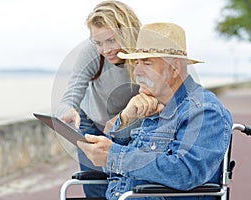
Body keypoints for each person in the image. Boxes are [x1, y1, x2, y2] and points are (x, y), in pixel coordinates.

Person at [77, 22, 233, 200]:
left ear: (174, 68)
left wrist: (114, 155)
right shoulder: (150, 106)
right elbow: (111, 165)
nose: (137, 71)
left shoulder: (204, 109)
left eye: (147, 63)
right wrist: (126, 118)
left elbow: (187, 172)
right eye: (136, 62)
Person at [55, 1, 141, 198]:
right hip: (92, 121)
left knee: (128, 182)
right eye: (99, 43)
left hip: (134, 123)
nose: (105, 49)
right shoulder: (91, 51)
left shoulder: (144, 52)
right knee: (94, 182)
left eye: (111, 40)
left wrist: (122, 120)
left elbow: (153, 96)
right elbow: (74, 88)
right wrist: (67, 108)